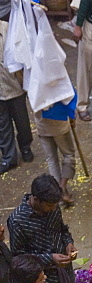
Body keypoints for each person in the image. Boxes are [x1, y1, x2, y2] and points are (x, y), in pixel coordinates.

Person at [8, 175, 78, 283]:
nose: (53, 208)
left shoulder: (53, 208)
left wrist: (68, 243)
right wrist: (50, 259)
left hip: (63, 272)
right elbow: (19, 257)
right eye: (49, 205)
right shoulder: (18, 220)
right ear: (35, 199)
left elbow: (62, 230)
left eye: (55, 205)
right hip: (40, 280)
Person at [0, 18, 33, 173]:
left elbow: (22, 53)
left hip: (14, 84)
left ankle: (25, 147)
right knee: (3, 125)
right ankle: (9, 158)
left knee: (22, 122)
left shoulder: (8, 28)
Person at [34, 94, 78, 207]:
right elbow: (67, 97)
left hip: (41, 122)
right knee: (68, 154)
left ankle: (57, 194)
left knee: (51, 159)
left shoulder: (32, 79)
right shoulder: (56, 77)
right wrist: (72, 116)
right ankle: (62, 187)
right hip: (59, 123)